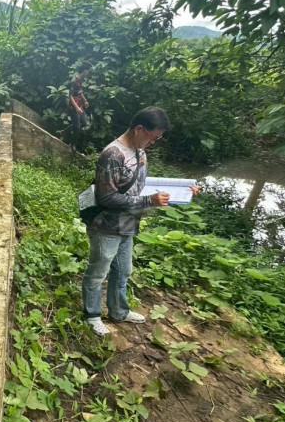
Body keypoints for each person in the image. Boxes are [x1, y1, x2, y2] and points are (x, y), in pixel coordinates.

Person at [81, 107, 198, 336]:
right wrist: (148, 201)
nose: (154, 142)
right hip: (106, 225)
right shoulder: (113, 155)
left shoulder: (140, 151)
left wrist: (184, 190)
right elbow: (106, 197)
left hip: (128, 223)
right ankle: (92, 315)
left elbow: (141, 186)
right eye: (153, 137)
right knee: (98, 272)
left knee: (123, 270)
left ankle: (118, 312)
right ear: (139, 129)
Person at [64, 62, 92, 149]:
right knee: (77, 127)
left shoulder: (80, 80)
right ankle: (72, 145)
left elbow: (80, 92)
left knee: (83, 123)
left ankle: (63, 132)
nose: (89, 73)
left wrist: (85, 100)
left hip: (79, 105)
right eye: (88, 71)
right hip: (74, 107)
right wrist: (76, 108)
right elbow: (70, 96)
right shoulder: (74, 81)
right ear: (84, 71)